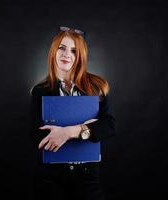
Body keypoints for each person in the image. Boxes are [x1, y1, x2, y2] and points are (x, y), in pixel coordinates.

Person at [29, 26, 115, 200]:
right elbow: (36, 135)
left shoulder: (96, 88)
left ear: (80, 56)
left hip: (87, 176)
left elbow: (109, 125)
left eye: (74, 51)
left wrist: (69, 132)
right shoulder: (39, 91)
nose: (66, 54)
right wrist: (89, 128)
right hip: (51, 177)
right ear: (54, 51)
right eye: (62, 48)